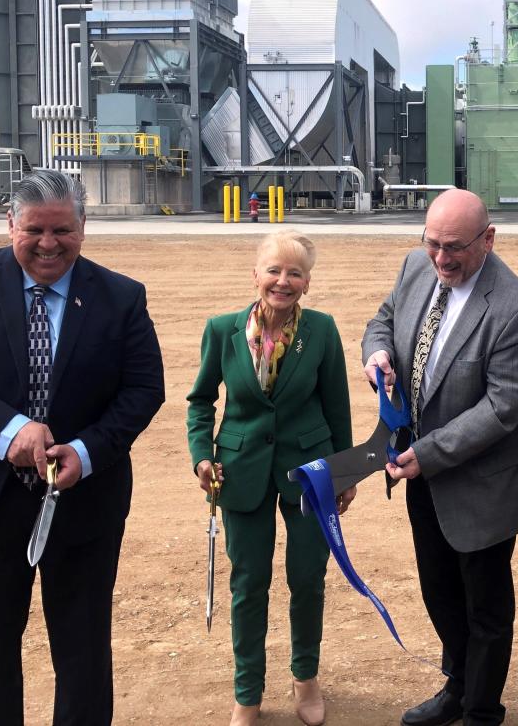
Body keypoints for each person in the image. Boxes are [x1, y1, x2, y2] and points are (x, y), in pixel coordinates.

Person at [0, 169, 165, 726]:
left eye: (63, 230)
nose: (49, 244)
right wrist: (8, 430)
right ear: (10, 224)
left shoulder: (121, 297)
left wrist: (88, 451)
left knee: (84, 651)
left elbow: (144, 390)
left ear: (84, 227)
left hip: (84, 503)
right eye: (35, 231)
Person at [362, 188, 518, 726]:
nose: (441, 258)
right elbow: (383, 320)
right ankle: (457, 687)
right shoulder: (417, 268)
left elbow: (502, 408)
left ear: (488, 239)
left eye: (455, 248)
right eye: (433, 243)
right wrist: (376, 353)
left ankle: (482, 711)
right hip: (423, 473)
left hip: (481, 481)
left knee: (484, 605)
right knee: (439, 590)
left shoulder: (514, 309)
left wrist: (430, 452)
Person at [187, 230, 355, 726]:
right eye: (274, 270)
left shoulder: (321, 331)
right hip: (240, 473)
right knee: (249, 582)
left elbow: (336, 406)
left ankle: (306, 678)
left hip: (308, 473)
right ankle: (248, 692)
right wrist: (201, 456)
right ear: (255, 274)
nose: (283, 281)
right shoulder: (222, 330)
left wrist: (343, 474)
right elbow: (200, 403)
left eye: (295, 273)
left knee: (307, 577)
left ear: (307, 282)